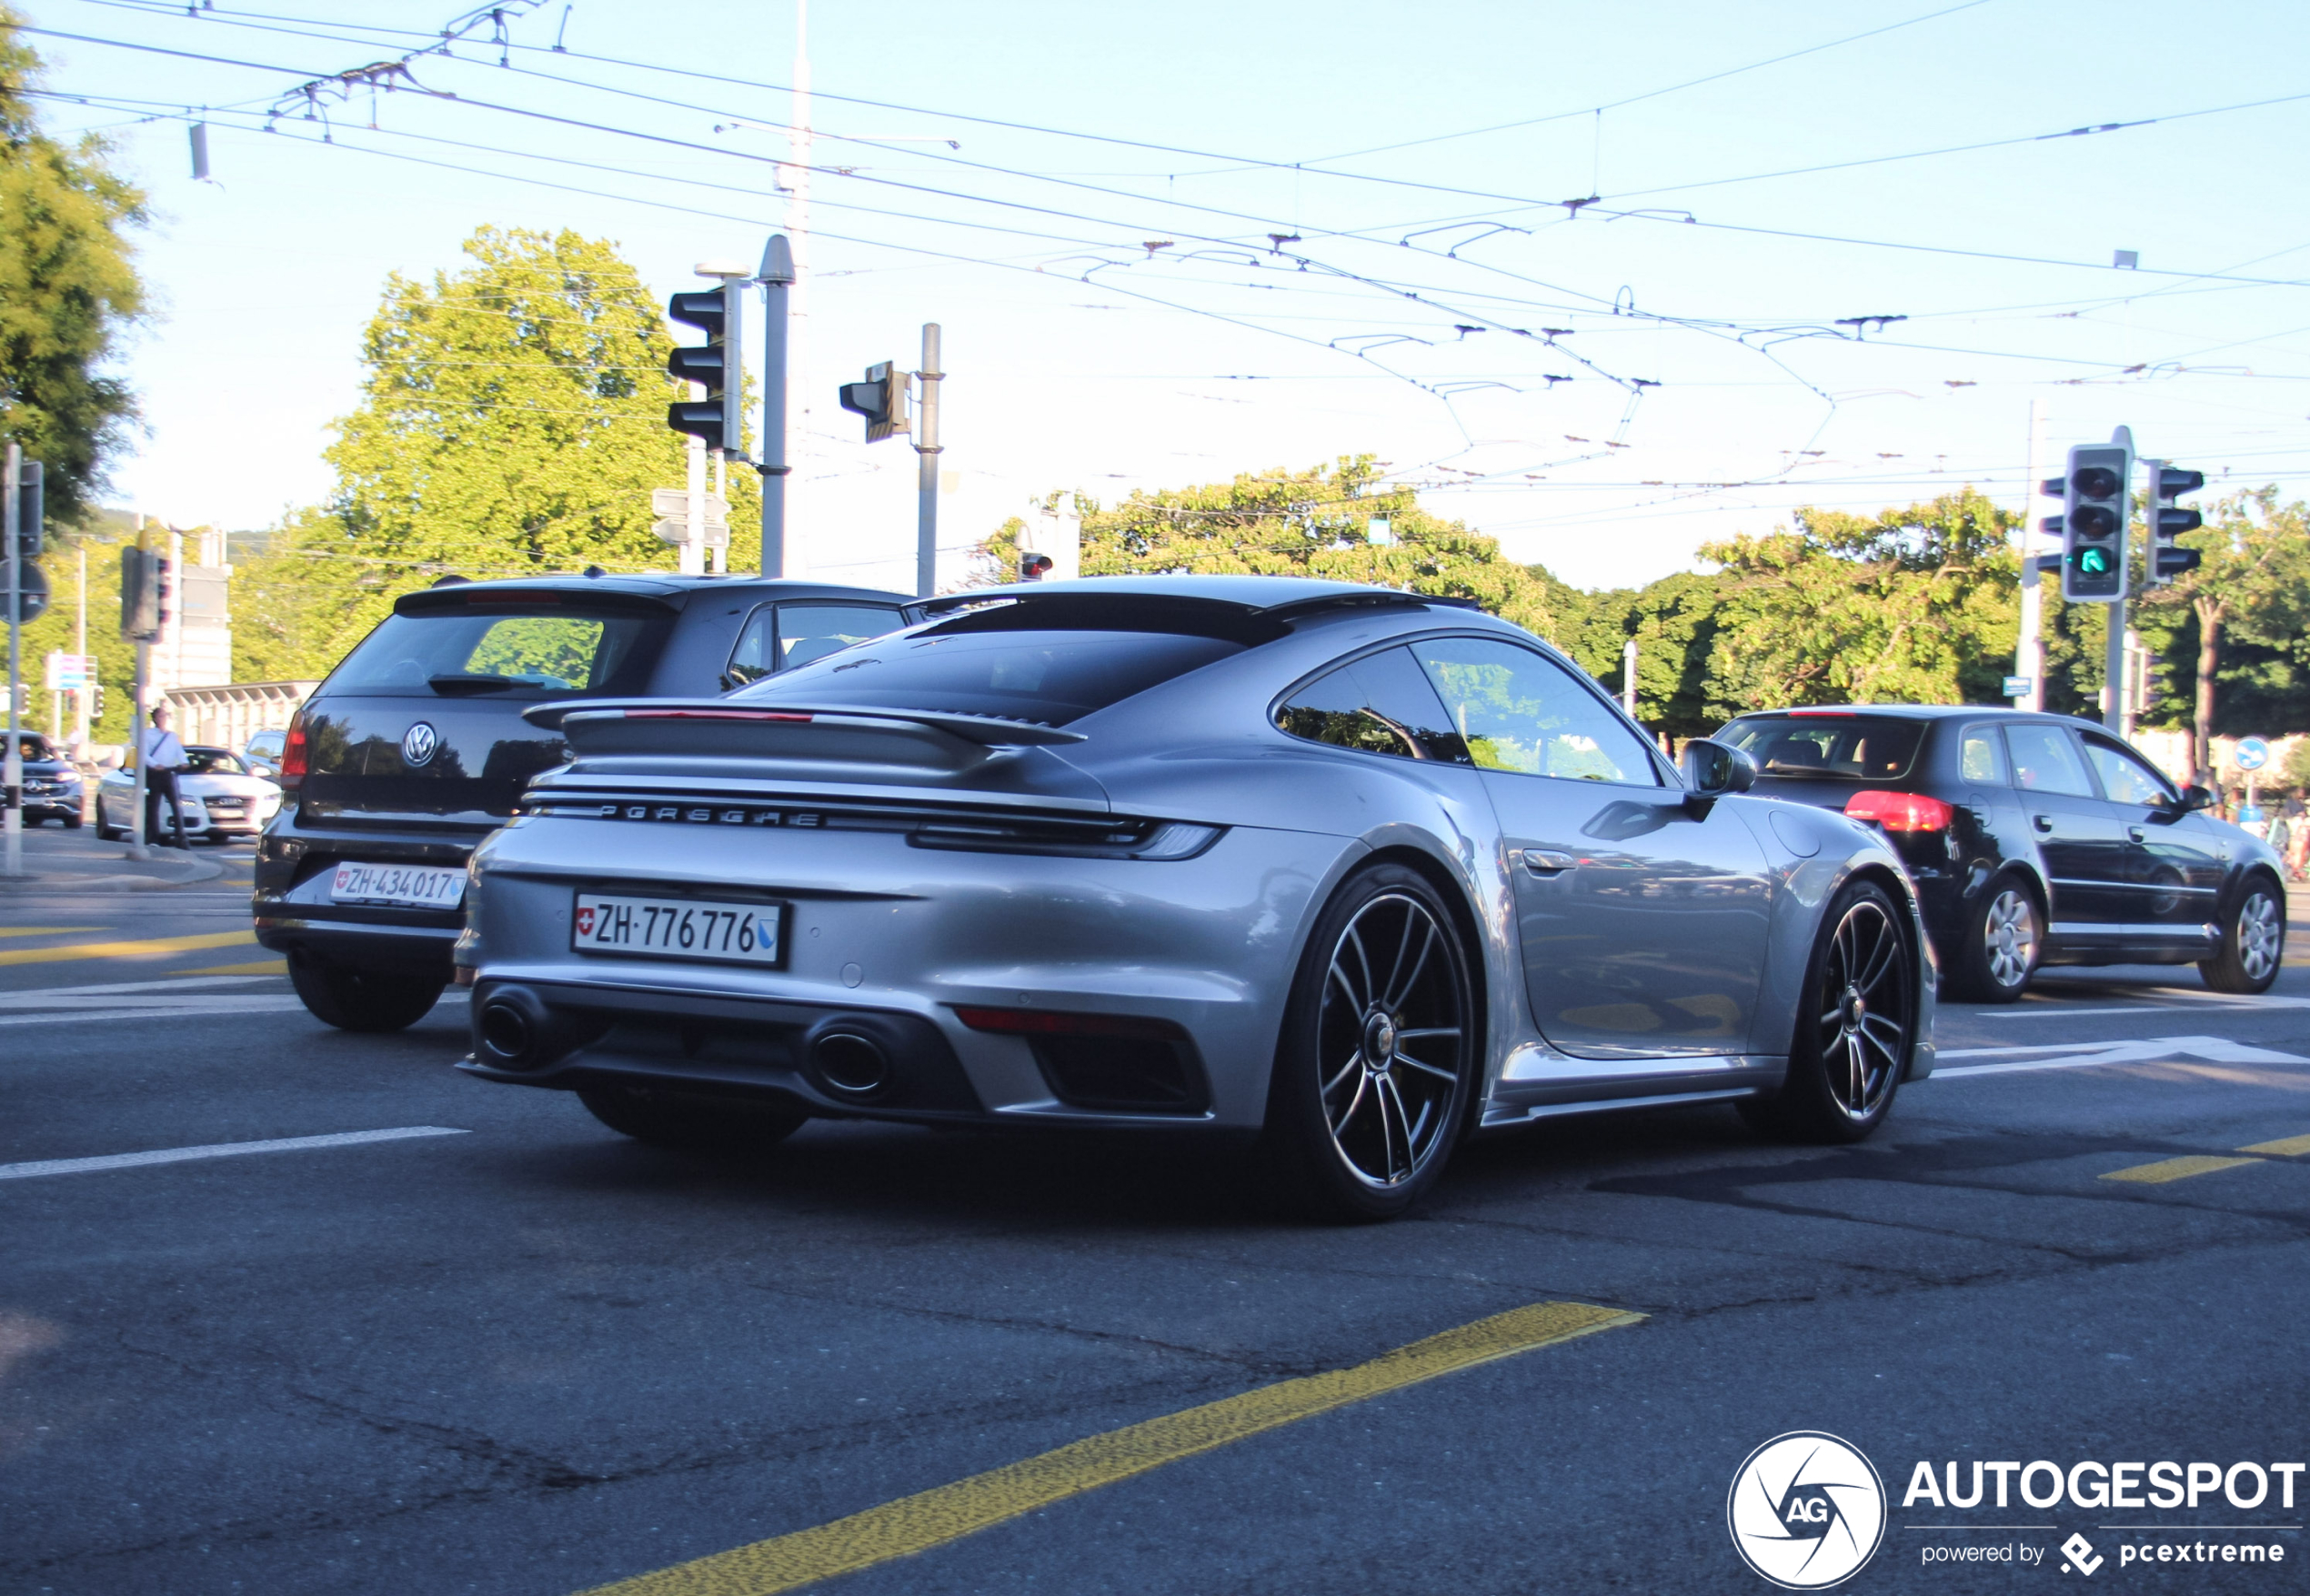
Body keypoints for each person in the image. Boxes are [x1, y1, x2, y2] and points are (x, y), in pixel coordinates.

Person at [139, 703, 190, 848]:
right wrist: (154, 764)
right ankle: (153, 838)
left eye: (165, 716)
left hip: (169, 773)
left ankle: (181, 838)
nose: (163, 719)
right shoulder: (147, 734)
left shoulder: (171, 736)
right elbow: (143, 754)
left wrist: (184, 762)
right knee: (153, 807)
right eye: (161, 716)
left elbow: (179, 752)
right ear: (155, 718)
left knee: (176, 805)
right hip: (155, 774)